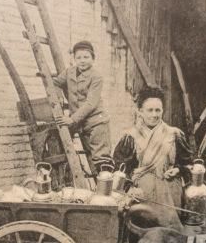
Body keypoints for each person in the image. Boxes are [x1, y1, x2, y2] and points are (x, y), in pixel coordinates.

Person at [113, 87, 193, 231]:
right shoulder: (130, 137)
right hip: (141, 191)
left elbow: (188, 163)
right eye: (150, 110)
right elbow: (120, 167)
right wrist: (130, 186)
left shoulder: (174, 134)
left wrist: (178, 170)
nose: (154, 115)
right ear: (140, 111)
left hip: (169, 189)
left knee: (170, 231)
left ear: (163, 111)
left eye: (158, 110)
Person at [53, 40, 113, 173]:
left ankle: (106, 191)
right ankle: (96, 192)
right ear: (74, 59)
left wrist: (72, 119)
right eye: (78, 57)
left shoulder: (96, 77)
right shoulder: (69, 72)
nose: (82, 60)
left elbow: (91, 103)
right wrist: (59, 98)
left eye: (86, 57)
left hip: (97, 123)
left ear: (93, 58)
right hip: (83, 125)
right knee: (91, 161)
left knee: (101, 160)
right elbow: (56, 83)